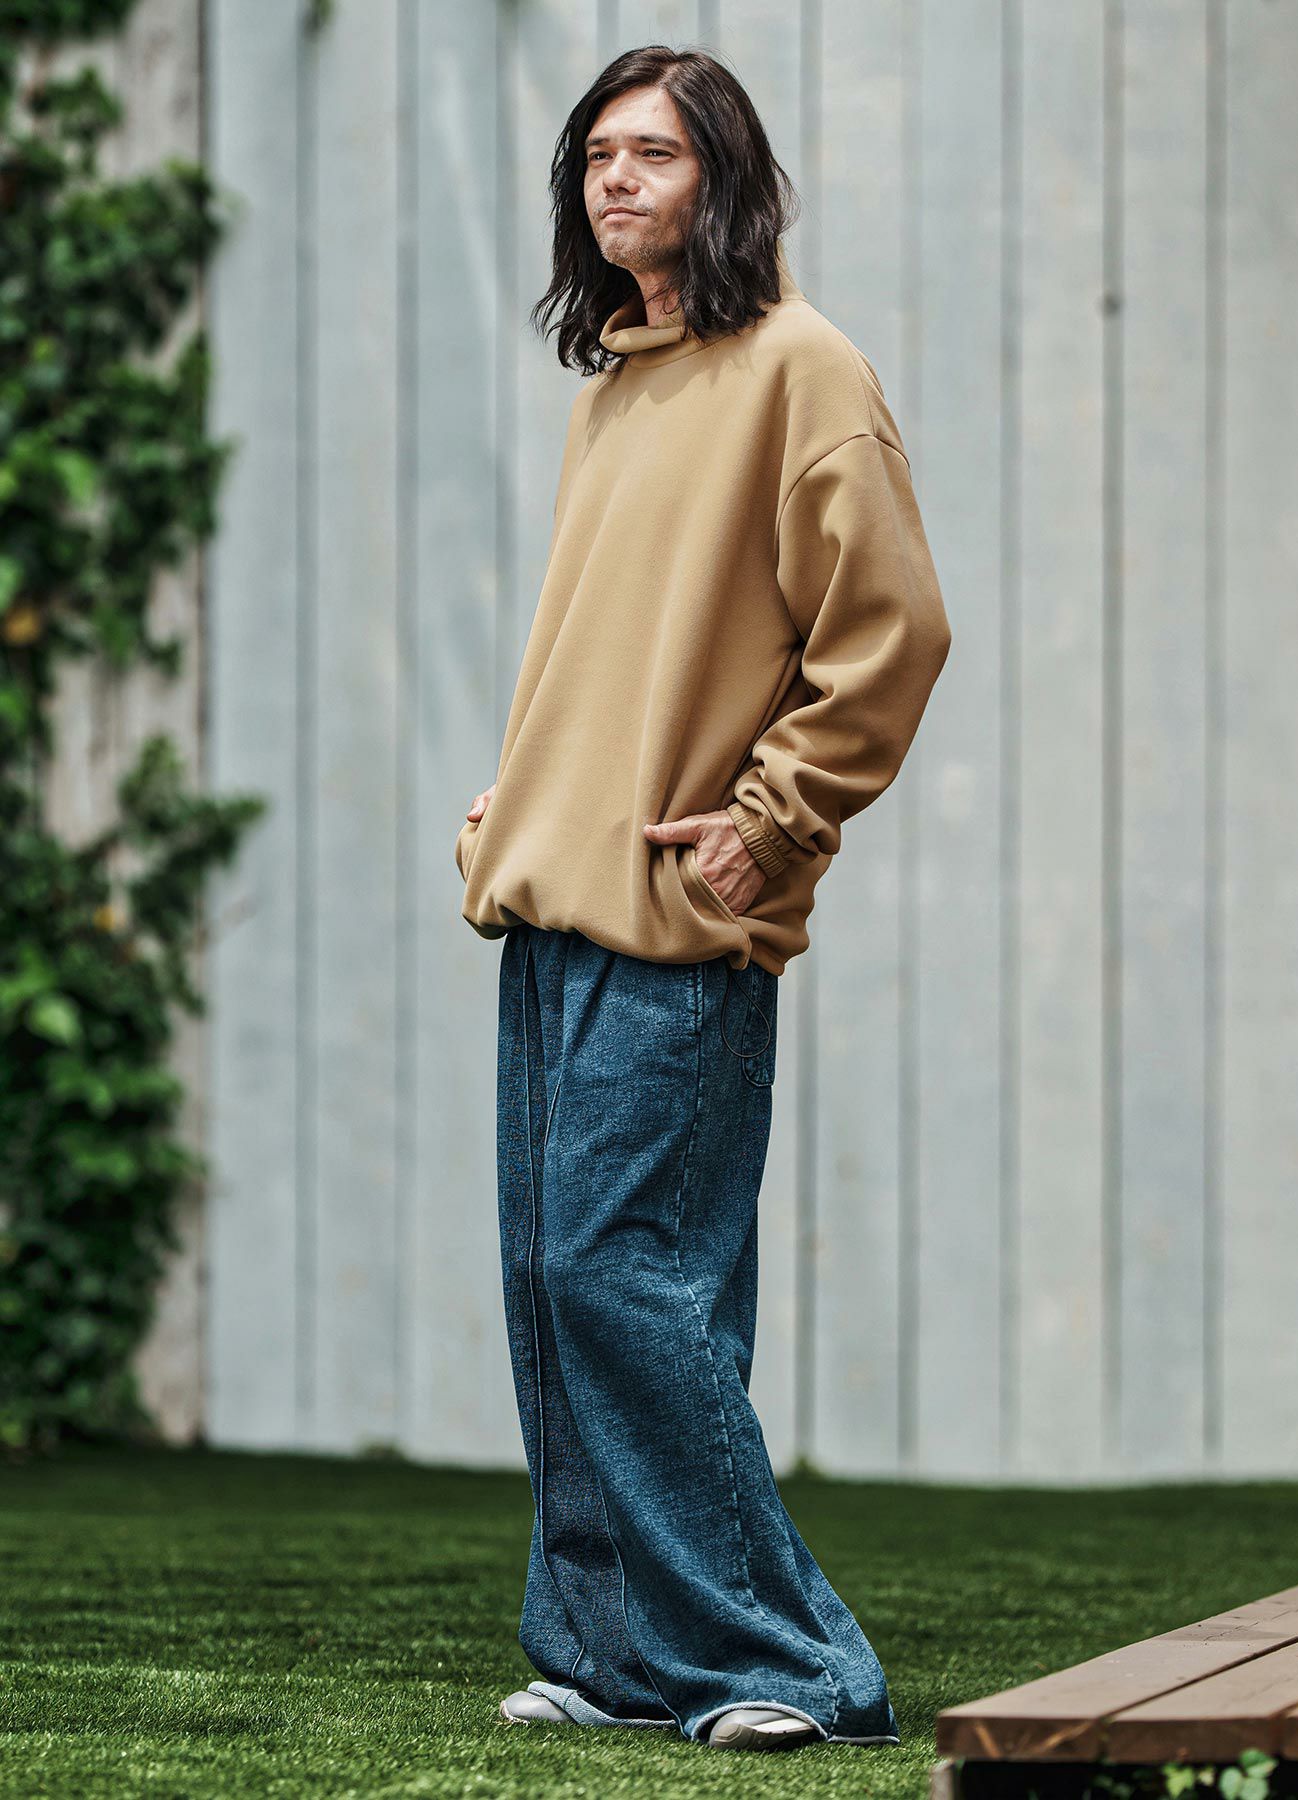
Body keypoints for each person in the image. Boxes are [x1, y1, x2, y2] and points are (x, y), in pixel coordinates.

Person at [455, 43, 951, 1754]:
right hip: (554, 904)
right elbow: (616, 656)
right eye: (596, 154)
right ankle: (609, 1650)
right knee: (557, 1283)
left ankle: (795, 1667)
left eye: (653, 153)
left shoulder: (805, 370)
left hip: (678, 923)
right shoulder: (619, 389)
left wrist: (775, 821)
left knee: (626, 1278)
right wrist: (526, 796)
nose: (614, 179)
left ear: (724, 179)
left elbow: (892, 632)